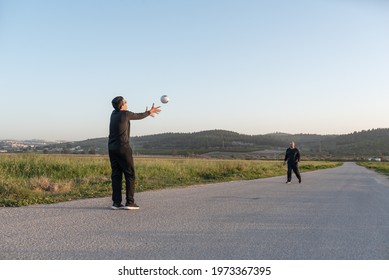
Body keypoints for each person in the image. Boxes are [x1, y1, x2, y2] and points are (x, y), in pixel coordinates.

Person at [108, 96, 161, 210]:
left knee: (116, 175)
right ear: (122, 105)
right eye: (125, 102)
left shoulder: (113, 114)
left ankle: (116, 203)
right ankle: (130, 202)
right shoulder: (125, 114)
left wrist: (147, 112)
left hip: (112, 148)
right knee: (130, 174)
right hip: (123, 148)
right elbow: (139, 116)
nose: (127, 103)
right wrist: (149, 112)